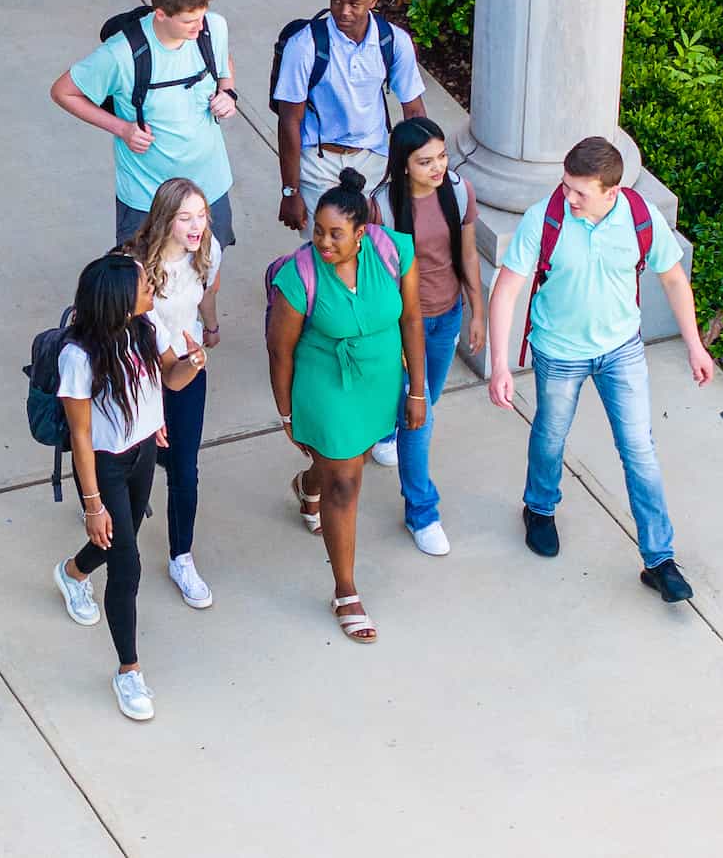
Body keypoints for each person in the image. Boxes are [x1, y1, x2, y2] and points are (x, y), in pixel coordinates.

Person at [485, 136, 718, 603]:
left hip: (621, 351)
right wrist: (499, 365)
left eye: (580, 192)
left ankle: (659, 560)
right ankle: (539, 508)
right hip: (558, 351)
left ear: (610, 192)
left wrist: (695, 346)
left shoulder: (638, 217)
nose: (568, 198)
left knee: (640, 451)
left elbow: (674, 279)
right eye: (565, 186)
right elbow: (507, 289)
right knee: (551, 435)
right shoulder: (543, 219)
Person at [265, 168, 426, 642]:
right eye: (318, 230)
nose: (323, 241)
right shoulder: (300, 275)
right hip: (325, 385)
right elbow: (281, 349)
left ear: (362, 232)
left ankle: (306, 484)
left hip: (378, 382)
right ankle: (346, 591)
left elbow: (413, 320)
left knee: (341, 463)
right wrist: (287, 412)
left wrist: (417, 390)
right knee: (346, 484)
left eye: (336, 234)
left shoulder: (394, 251)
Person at [52, 251, 207, 721]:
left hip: (142, 450)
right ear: (120, 298)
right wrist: (93, 503)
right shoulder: (78, 357)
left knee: (125, 536)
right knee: (128, 566)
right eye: (144, 285)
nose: (152, 289)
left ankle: (73, 573)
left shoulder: (145, 328)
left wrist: (193, 364)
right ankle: (129, 671)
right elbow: (80, 434)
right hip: (106, 464)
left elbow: (168, 380)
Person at [52, 0, 240, 248]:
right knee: (141, 284)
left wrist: (228, 91)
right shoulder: (120, 53)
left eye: (202, 16)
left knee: (207, 280)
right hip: (146, 195)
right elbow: (64, 92)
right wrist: (122, 129)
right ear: (161, 14)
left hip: (208, 187)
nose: (199, 27)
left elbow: (223, 58)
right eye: (189, 21)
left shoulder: (213, 28)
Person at [364, 117, 481, 554]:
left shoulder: (458, 191)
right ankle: (422, 511)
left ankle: (387, 434)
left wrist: (477, 313)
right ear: (403, 165)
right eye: (425, 161)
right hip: (403, 326)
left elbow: (467, 254)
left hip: (446, 316)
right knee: (420, 413)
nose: (438, 168)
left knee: (425, 398)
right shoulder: (382, 207)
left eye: (442, 157)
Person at [270, 0, 427, 238]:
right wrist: (290, 190)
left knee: (377, 250)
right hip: (319, 163)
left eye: (355, 4)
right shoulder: (303, 46)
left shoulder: (394, 42)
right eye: (336, 1)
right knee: (326, 252)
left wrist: (421, 172)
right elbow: (289, 120)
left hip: (375, 159)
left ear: (373, 1)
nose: (344, 12)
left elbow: (414, 111)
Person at [124, 178, 225, 609]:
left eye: (201, 215)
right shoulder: (135, 268)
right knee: (134, 458)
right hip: (143, 377)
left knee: (185, 467)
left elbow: (207, 293)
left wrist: (212, 328)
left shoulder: (208, 251)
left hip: (188, 369)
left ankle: (181, 555)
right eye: (185, 217)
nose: (196, 225)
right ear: (164, 219)